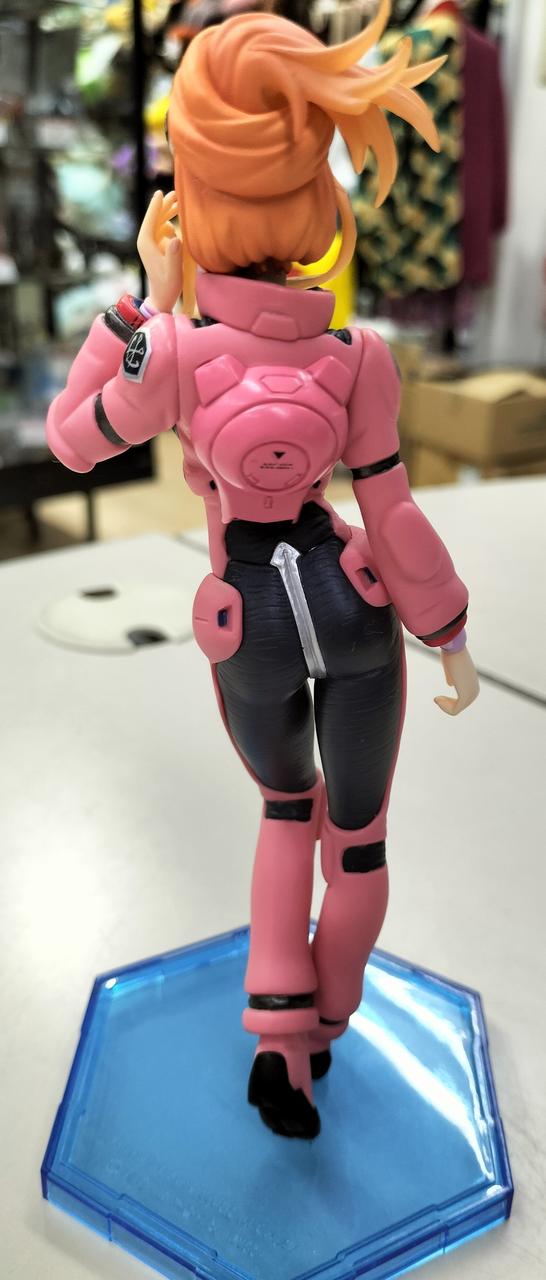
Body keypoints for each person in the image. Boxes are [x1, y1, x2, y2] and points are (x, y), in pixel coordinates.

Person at [46, 0, 479, 1140]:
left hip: (248, 623)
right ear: (319, 200)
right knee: (360, 838)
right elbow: (390, 509)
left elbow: (69, 440)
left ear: (191, 199)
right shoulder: (360, 355)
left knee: (287, 811)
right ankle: (331, 1016)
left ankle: (283, 1050)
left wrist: (143, 300)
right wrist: (448, 633)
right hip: (356, 605)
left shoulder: (171, 351)